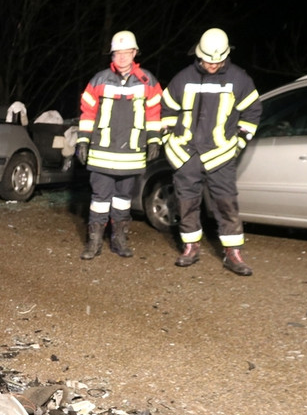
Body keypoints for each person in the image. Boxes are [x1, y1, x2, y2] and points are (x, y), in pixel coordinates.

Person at [160, 28, 262, 276]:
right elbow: (166, 111)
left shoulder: (239, 79)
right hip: (186, 155)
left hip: (221, 154)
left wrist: (238, 143)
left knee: (226, 204)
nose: (213, 65)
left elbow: (252, 112)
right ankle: (191, 247)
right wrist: (167, 140)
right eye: (208, 60)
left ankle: (233, 253)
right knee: (186, 203)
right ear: (199, 54)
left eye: (217, 61)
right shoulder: (183, 78)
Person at [75, 30, 163, 260]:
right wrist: (83, 140)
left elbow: (154, 114)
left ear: (134, 53)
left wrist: (154, 139)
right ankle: (94, 242)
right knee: (99, 201)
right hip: (102, 151)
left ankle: (119, 240)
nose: (122, 57)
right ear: (112, 55)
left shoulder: (148, 81)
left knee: (124, 200)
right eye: (118, 53)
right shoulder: (99, 80)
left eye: (127, 53)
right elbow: (87, 113)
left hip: (131, 154)